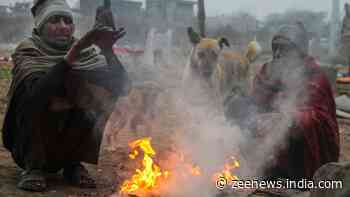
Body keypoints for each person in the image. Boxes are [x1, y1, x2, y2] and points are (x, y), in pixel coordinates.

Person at [1, 0, 130, 192]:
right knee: (34, 95)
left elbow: (121, 87)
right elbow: (37, 94)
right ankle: (34, 166)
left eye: (67, 21)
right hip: (28, 143)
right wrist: (73, 53)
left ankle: (73, 164)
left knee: (98, 94)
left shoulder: (85, 52)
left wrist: (107, 50)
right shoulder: (28, 49)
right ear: (41, 26)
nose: (63, 27)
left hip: (69, 137)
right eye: (54, 21)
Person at [228, 22, 340, 181]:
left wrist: (290, 119)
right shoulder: (267, 72)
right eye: (276, 48)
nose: (279, 53)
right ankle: (258, 170)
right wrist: (242, 106)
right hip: (267, 148)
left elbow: (320, 118)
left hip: (301, 153)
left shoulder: (315, 76)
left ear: (299, 51)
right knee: (237, 107)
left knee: (291, 130)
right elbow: (255, 103)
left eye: (285, 49)